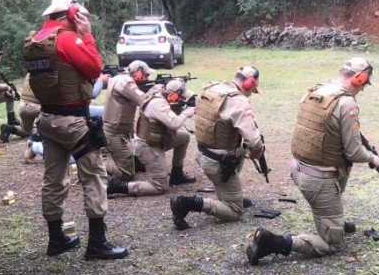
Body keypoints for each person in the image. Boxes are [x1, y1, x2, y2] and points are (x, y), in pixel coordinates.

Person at [245, 58, 379, 265]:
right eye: (364, 84)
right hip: (319, 181)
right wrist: (374, 158)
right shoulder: (347, 103)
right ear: (359, 78)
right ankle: (272, 242)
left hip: (299, 168)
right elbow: (354, 152)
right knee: (332, 244)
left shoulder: (318, 90)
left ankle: (334, 220)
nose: (363, 89)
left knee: (335, 190)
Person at [24, 0, 126, 260]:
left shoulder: (35, 41)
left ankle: (56, 239)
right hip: (72, 121)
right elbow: (94, 68)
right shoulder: (68, 39)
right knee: (94, 175)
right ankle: (97, 243)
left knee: (53, 179)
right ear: (70, 14)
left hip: (47, 119)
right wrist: (87, 34)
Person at [169, 66, 264, 230]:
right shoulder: (238, 100)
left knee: (241, 149)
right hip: (218, 163)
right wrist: (258, 154)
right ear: (249, 84)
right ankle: (187, 203)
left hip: (203, 153)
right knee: (234, 211)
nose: (250, 94)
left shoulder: (212, 88)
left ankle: (230, 194)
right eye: (252, 90)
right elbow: (254, 141)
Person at [107, 78, 197, 197]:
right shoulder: (157, 103)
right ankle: (120, 186)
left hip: (158, 140)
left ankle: (177, 174)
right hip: (148, 146)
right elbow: (174, 123)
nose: (182, 99)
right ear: (173, 95)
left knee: (184, 137)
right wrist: (186, 113)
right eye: (180, 96)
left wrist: (179, 108)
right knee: (159, 186)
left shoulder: (160, 98)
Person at [102, 60, 159, 182]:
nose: (147, 77)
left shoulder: (120, 78)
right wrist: (155, 90)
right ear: (137, 73)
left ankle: (105, 156)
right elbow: (142, 100)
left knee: (134, 164)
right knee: (127, 174)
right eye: (146, 75)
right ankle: (96, 165)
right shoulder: (126, 82)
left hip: (119, 131)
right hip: (114, 134)